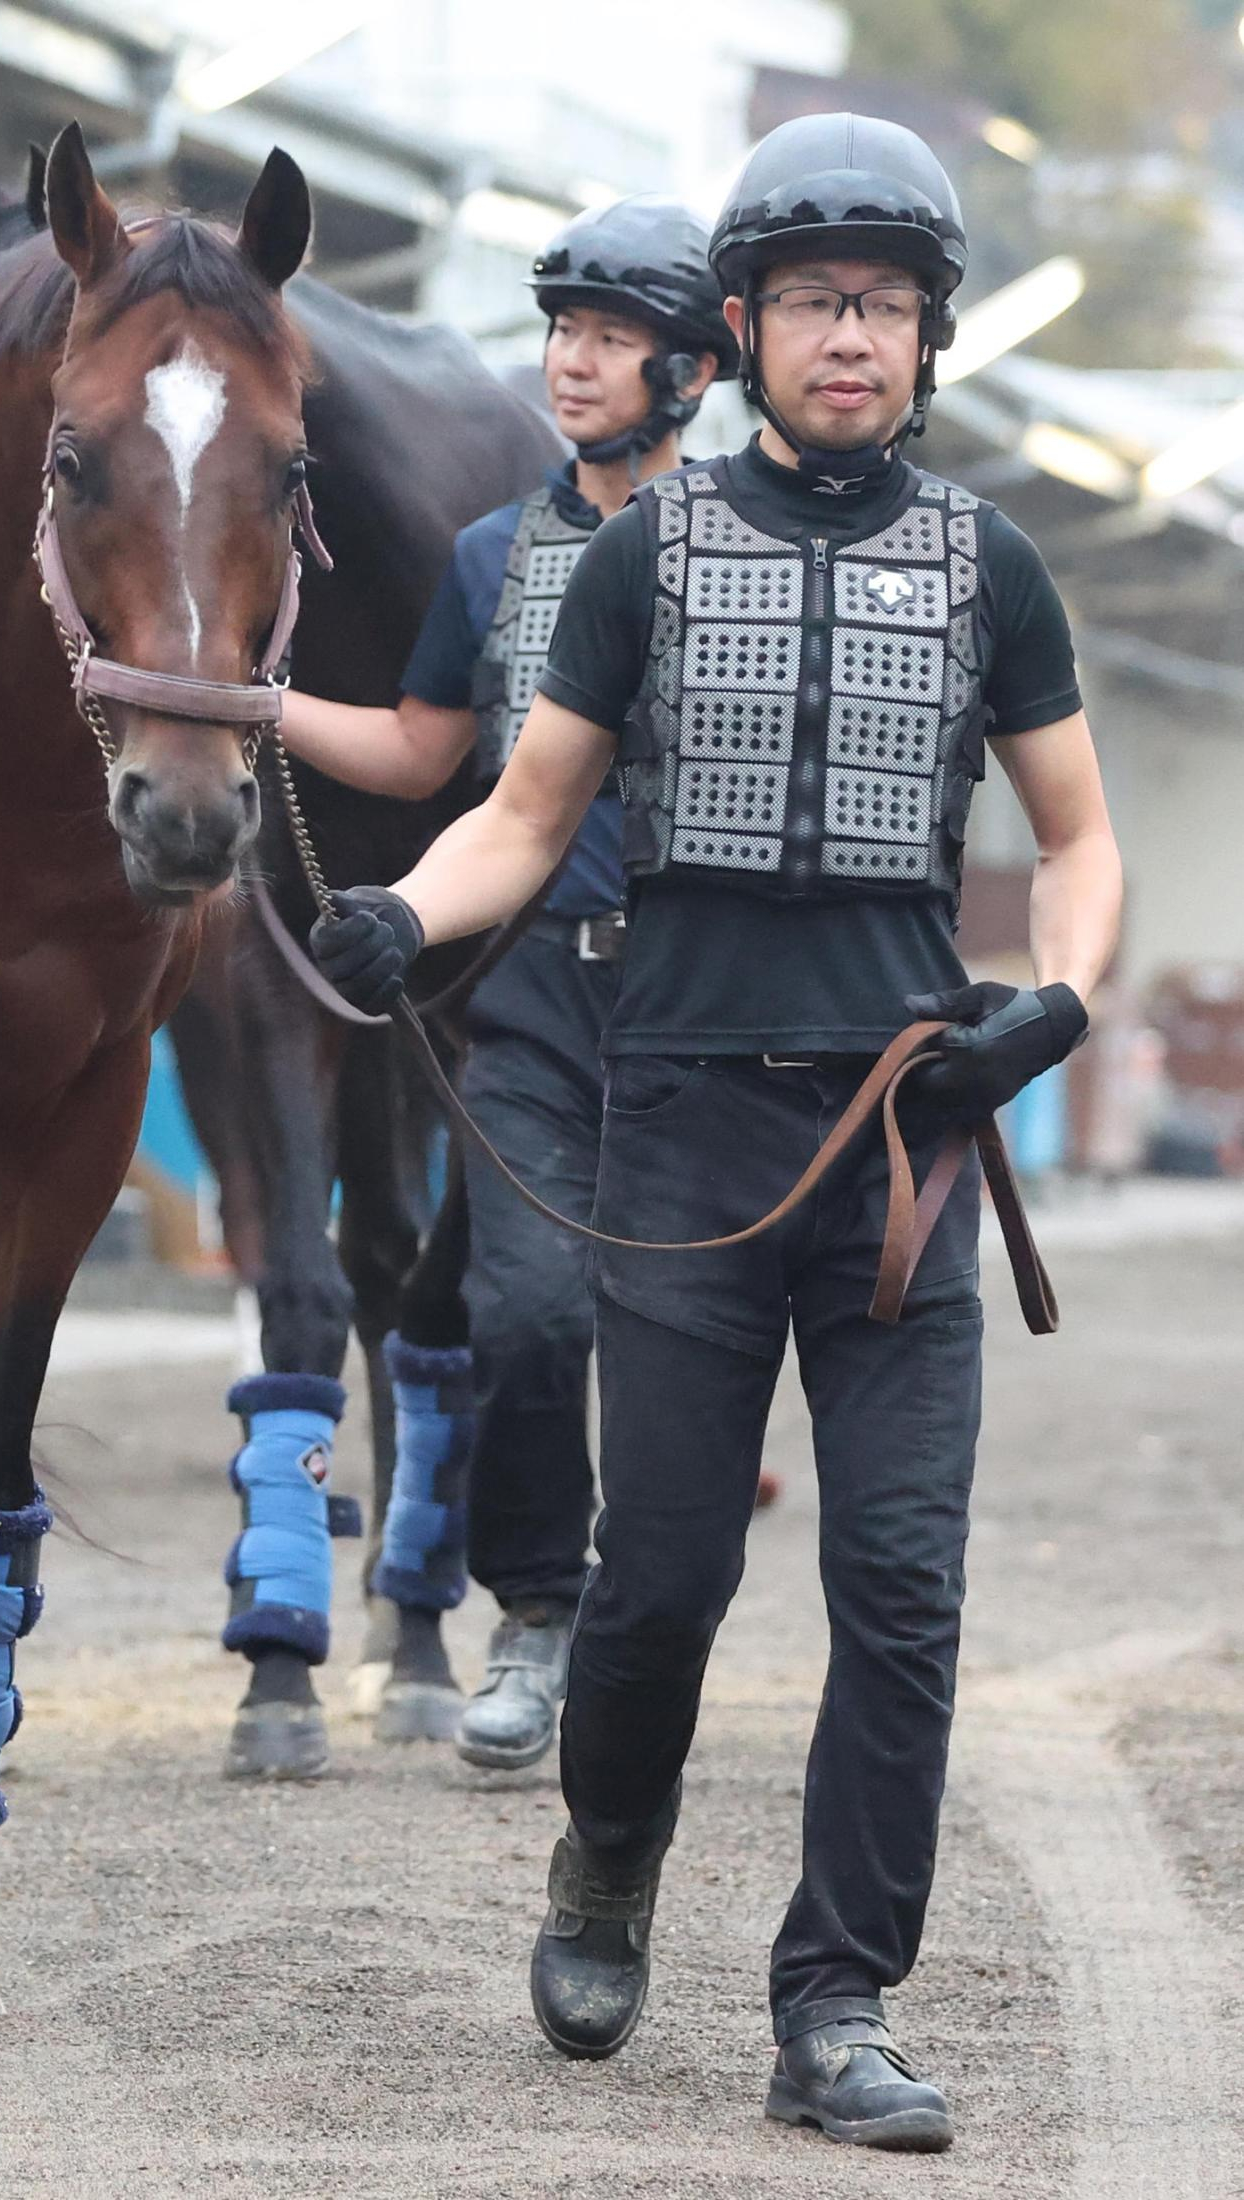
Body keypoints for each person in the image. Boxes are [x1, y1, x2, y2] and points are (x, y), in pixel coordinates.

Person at [307, 114, 1122, 2152]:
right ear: (742, 329)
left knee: (900, 1583)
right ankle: (604, 1851)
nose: (848, 337)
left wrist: (1045, 1005)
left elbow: (1080, 837)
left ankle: (832, 1995)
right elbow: (520, 808)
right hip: (671, 1135)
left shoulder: (988, 564)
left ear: (922, 338)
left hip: (902, 1149)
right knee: (656, 1580)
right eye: (811, 303)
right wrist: (405, 910)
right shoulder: (638, 559)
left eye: (884, 306)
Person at [276, 198, 751, 1769]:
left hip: (718, 999)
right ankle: (535, 1613)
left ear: (689, 370)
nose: (571, 362)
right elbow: (424, 755)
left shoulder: (760, 546)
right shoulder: (492, 557)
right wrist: (249, 701)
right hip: (539, 987)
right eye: (561, 331)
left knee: (683, 1333)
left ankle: (648, 1626)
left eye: (610, 339)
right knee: (527, 1317)